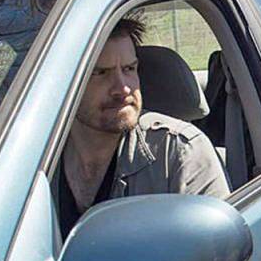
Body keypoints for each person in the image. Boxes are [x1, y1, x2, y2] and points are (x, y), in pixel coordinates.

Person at [54, 16, 229, 237]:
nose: (123, 89)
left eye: (129, 69)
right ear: (65, 82)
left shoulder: (179, 152)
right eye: (100, 73)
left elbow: (215, 248)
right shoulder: (38, 156)